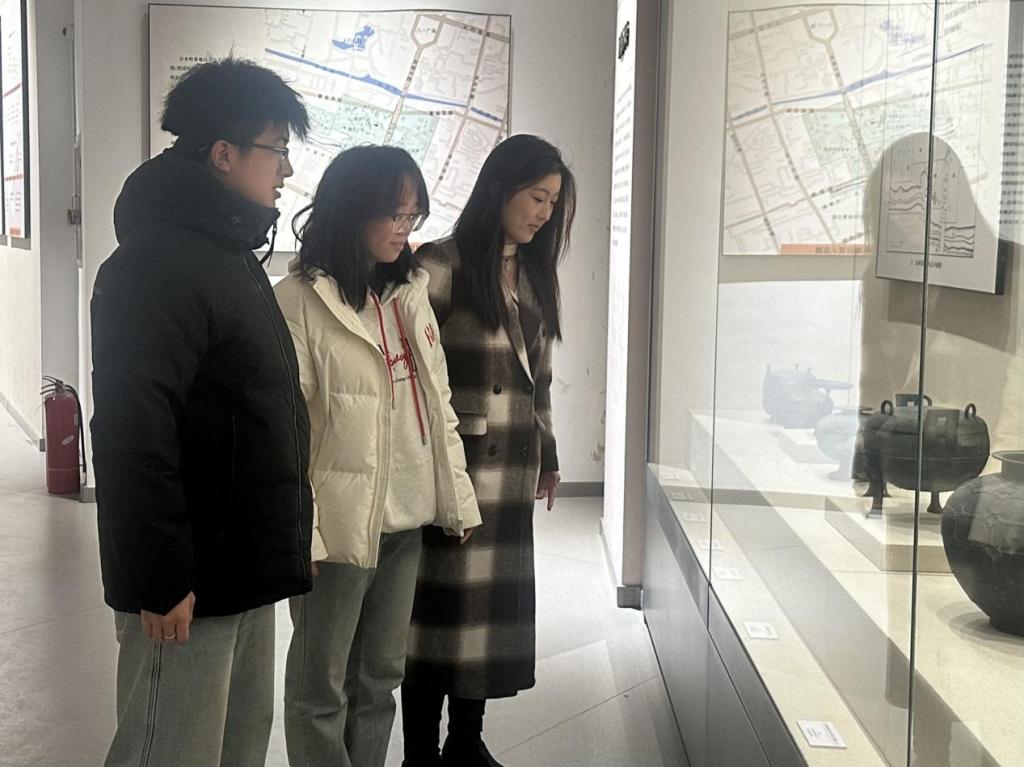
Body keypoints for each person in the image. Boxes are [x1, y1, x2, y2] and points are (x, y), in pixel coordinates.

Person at [90, 58, 317, 766]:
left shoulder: (230, 253)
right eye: (276, 150)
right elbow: (132, 432)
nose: (285, 170)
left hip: (241, 566)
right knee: (170, 749)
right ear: (223, 153)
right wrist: (159, 577)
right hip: (188, 580)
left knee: (236, 746)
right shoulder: (154, 264)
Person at [274, 145, 482, 767]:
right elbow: (289, 431)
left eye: (412, 215)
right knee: (320, 687)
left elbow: (438, 403)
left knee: (379, 678)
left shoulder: (410, 292)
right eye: (393, 213)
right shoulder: (299, 300)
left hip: (405, 520)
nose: (403, 229)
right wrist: (304, 532)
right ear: (351, 209)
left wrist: (458, 498)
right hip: (337, 529)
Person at [401, 134, 577, 767]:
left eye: (553, 202)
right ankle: (420, 753)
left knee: (487, 615)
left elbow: (539, 377)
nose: (544, 214)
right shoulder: (440, 264)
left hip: (510, 473)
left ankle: (466, 742)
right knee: (437, 616)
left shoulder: (533, 271)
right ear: (500, 190)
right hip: (456, 469)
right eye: (536, 197)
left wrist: (549, 455)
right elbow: (412, 375)